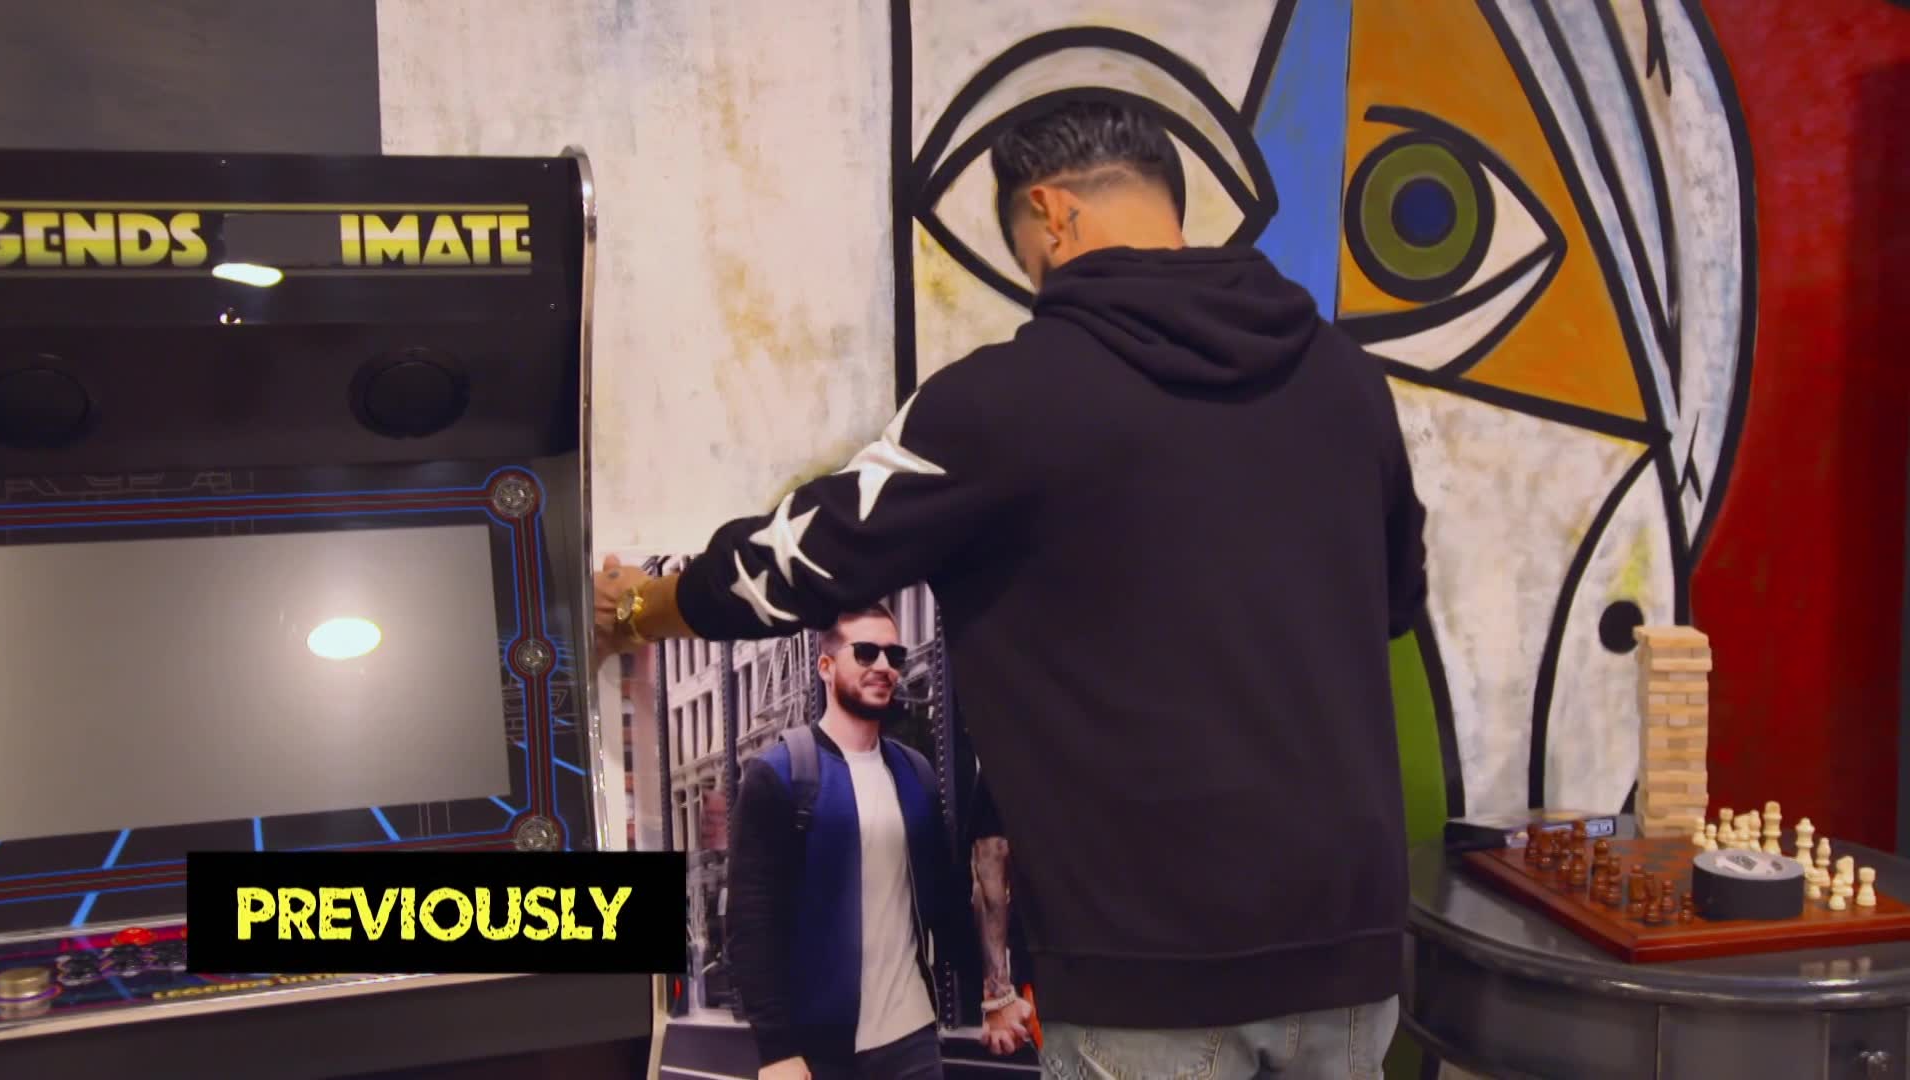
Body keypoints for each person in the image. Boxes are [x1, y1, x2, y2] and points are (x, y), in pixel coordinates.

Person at [598, 96, 1428, 1079]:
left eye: (1025, 256)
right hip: (1350, 956)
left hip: (1149, 970)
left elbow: (801, 560)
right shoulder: (1345, 381)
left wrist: (643, 607)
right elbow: (1393, 607)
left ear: (1052, 213)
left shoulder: (1005, 403)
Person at [712, 602, 1031, 1080]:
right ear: (825, 666)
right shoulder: (779, 775)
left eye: (893, 655)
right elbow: (750, 925)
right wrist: (776, 1050)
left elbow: (944, 905)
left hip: (912, 1042)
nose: (883, 666)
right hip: (820, 1053)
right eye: (865, 653)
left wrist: (993, 996)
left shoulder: (915, 774)